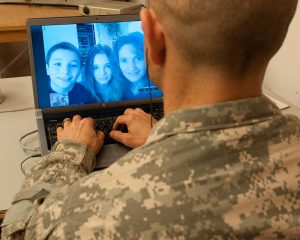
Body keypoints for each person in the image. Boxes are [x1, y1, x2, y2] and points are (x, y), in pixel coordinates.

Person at [2, 0, 300, 239]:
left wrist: (68, 155)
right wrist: (159, 135)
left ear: (152, 37)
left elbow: (19, 230)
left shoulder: (91, 213)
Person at [114, 32, 162, 100]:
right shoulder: (115, 88)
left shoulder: (160, 88)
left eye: (137, 58)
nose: (132, 67)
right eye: (124, 60)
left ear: (148, 59)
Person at [46, 42, 95, 107]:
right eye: (58, 64)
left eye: (73, 65)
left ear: (80, 70)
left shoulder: (86, 96)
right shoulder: (38, 92)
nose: (65, 71)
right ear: (48, 69)